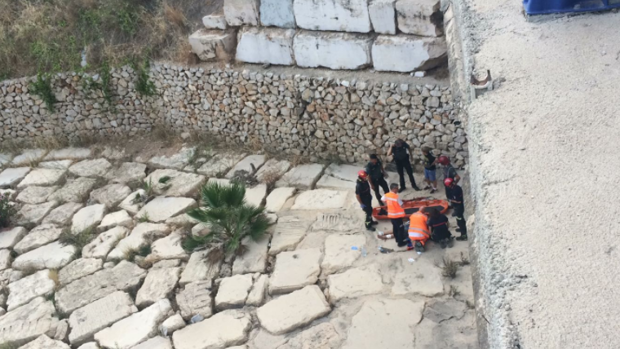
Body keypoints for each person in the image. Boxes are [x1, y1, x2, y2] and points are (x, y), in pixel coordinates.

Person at [381, 183, 409, 247]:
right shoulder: (396, 197)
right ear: (393, 189)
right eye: (397, 188)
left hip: (391, 215)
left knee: (395, 228)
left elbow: (382, 199)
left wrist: (388, 205)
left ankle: (397, 239)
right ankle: (400, 243)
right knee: (400, 229)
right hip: (397, 216)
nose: (398, 189)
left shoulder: (387, 195)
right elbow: (402, 205)